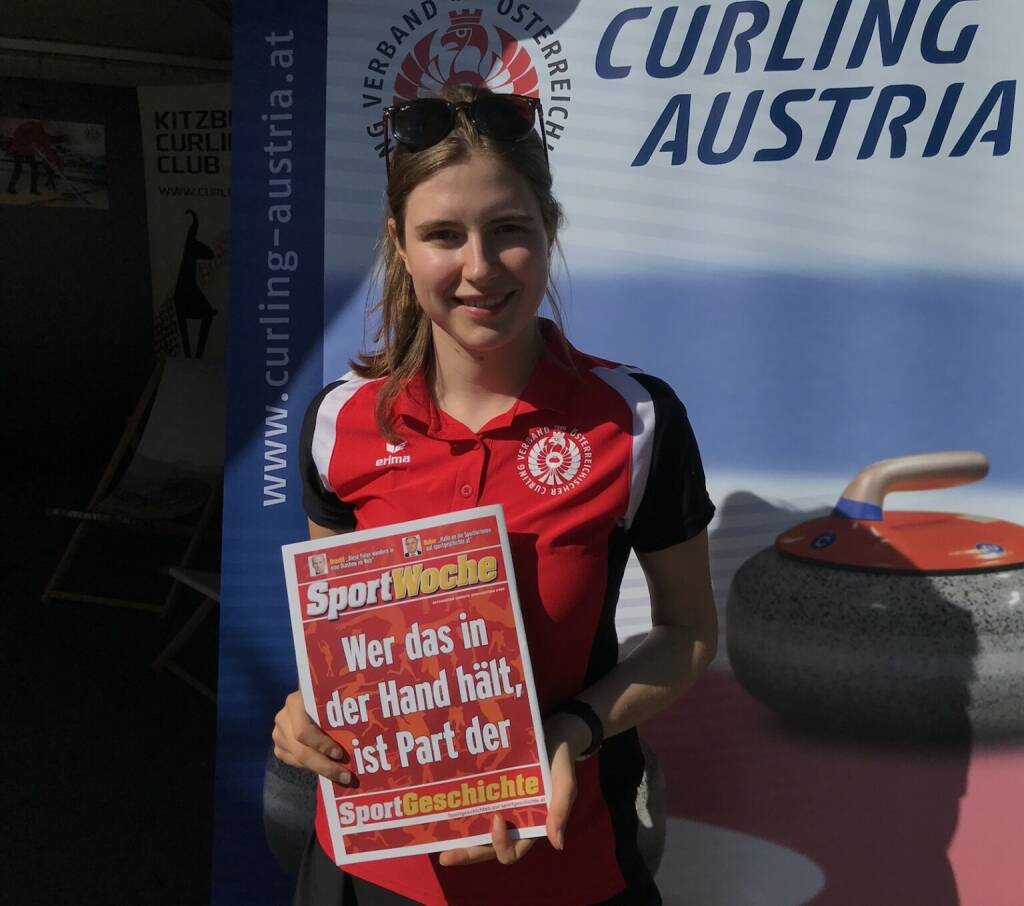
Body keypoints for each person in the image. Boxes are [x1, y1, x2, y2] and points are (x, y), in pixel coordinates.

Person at [273, 84, 718, 905]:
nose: (479, 267)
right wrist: (304, 712)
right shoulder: (339, 423)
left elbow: (689, 633)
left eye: (508, 230)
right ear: (400, 246)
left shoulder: (636, 418)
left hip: (566, 869)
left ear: (548, 232)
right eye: (443, 235)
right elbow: (341, 645)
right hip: (370, 871)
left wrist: (572, 730)